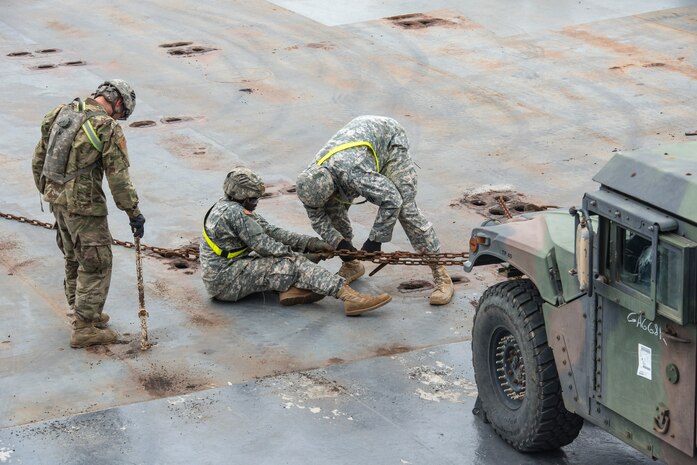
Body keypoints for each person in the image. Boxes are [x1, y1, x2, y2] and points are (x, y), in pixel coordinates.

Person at [31, 79, 145, 348]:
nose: (119, 117)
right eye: (122, 112)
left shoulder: (61, 112)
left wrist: (50, 192)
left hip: (56, 200)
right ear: (117, 102)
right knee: (97, 261)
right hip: (85, 207)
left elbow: (39, 158)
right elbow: (118, 178)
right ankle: (85, 329)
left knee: (73, 255)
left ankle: (82, 310)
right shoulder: (106, 127)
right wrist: (133, 212)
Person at [296, 115, 454, 305]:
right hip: (357, 147)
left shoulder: (354, 173)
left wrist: (375, 240)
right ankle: (352, 265)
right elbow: (319, 219)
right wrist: (340, 244)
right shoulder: (309, 182)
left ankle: (440, 273)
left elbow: (392, 200)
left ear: (334, 186)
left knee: (405, 206)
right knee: (332, 210)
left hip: (388, 140)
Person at [200, 167, 392, 316]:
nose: (256, 202)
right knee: (291, 263)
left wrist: (312, 244)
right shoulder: (236, 214)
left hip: (225, 274)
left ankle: (291, 289)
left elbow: (272, 232)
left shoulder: (227, 206)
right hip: (226, 281)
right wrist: (304, 257)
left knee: (291, 260)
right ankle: (349, 296)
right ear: (241, 195)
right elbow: (268, 247)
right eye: (253, 198)